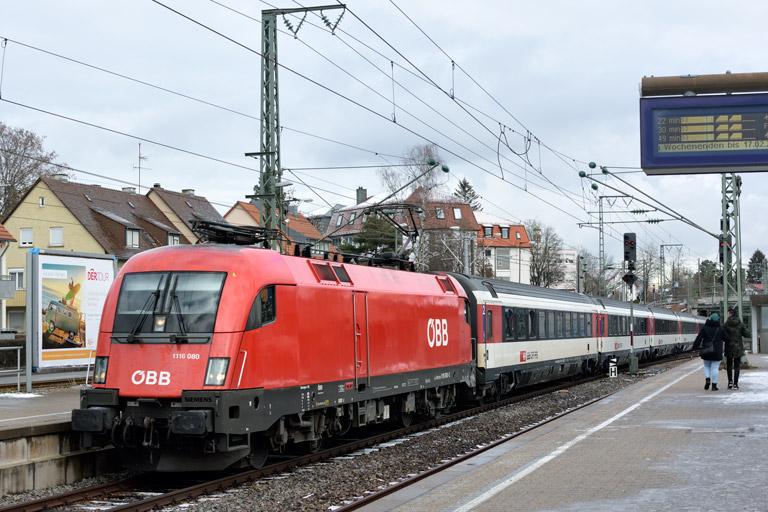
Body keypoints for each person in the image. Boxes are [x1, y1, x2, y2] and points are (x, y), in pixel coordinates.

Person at [692, 313, 729, 391]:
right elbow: (726, 338)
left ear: (710, 319)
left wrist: (694, 347)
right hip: (717, 350)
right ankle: (714, 385)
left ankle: (708, 379)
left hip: (706, 349)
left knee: (707, 366)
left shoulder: (705, 327)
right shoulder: (720, 328)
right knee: (715, 368)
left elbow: (699, 338)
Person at [723, 308, 750, 390]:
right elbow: (747, 335)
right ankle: (735, 383)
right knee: (737, 366)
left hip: (728, 347)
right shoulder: (740, 324)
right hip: (738, 348)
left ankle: (730, 382)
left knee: (729, 365)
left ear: (730, 314)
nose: (727, 315)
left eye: (728, 313)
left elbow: (722, 334)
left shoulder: (726, 324)